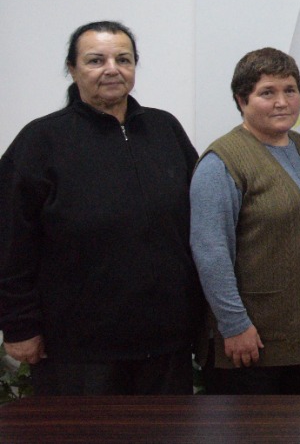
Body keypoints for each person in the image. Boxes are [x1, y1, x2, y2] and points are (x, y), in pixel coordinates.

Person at [0, 21, 202, 395]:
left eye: (123, 59)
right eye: (96, 60)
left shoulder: (164, 129)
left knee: (166, 428)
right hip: (79, 350)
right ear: (72, 69)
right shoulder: (40, 141)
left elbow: (199, 223)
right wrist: (19, 326)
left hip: (166, 343)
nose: (112, 69)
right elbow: (11, 242)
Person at [190, 48, 300, 394]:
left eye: (290, 90)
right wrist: (234, 324)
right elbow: (211, 253)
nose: (282, 102)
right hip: (253, 339)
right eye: (267, 93)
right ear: (242, 100)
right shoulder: (221, 162)